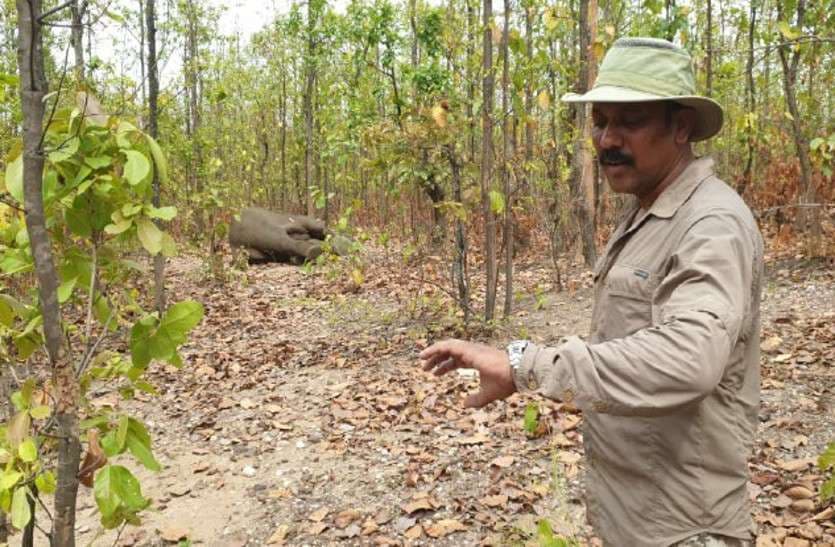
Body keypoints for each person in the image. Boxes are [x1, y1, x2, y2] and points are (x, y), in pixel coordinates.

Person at [419, 37, 763, 547]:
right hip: (635, 510)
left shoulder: (711, 223)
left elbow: (690, 357)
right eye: (600, 121)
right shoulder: (649, 209)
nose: (606, 139)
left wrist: (525, 365)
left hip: (685, 525)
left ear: (682, 126)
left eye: (630, 120)